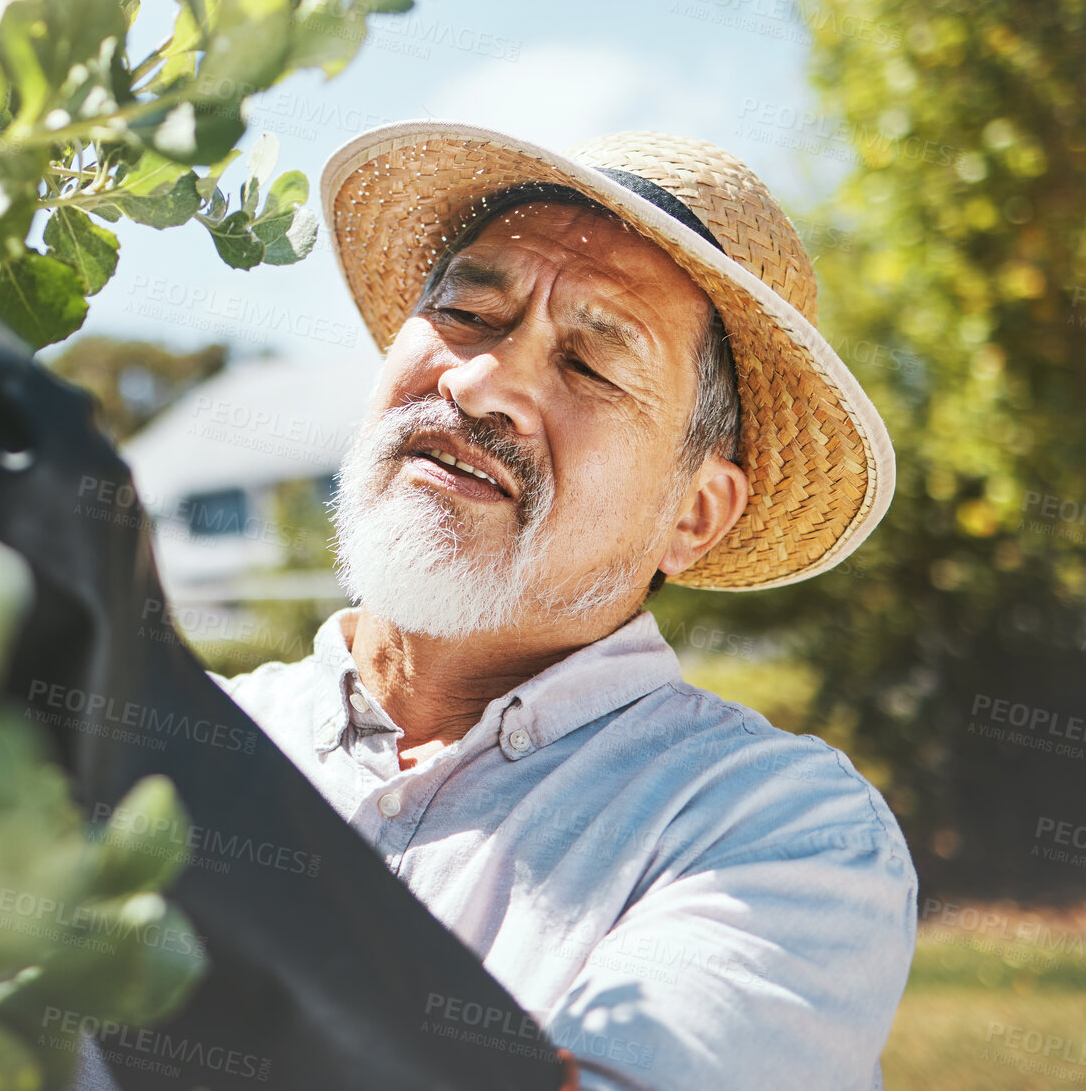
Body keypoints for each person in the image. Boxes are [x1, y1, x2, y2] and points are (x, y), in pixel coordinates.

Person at [205, 124, 916, 1089]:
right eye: (463, 310)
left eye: (588, 362)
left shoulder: (775, 829)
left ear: (694, 512)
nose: (478, 381)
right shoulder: (172, 729)